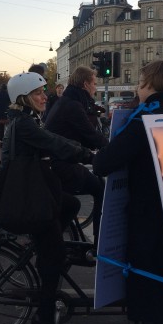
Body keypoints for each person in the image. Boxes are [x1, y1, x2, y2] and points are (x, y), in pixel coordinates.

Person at [92, 60, 163, 324]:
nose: (138, 89)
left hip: (152, 231)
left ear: (151, 85)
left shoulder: (146, 119)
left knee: (152, 304)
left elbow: (104, 162)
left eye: (140, 83)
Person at [2, 72, 93, 324]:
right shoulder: (25, 125)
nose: (45, 97)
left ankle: (47, 249)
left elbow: (53, 139)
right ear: (24, 98)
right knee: (52, 260)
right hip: (29, 197)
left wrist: (80, 148)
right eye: (39, 93)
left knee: (72, 203)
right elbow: (55, 144)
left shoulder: (27, 120)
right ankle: (44, 318)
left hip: (37, 187)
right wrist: (87, 155)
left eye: (44, 92)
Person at [45, 66, 108, 248]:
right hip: (61, 164)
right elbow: (90, 135)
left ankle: (53, 236)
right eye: (94, 83)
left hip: (56, 161)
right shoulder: (73, 105)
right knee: (100, 189)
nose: (96, 87)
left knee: (69, 204)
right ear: (86, 84)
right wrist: (111, 149)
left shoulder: (67, 100)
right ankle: (98, 243)